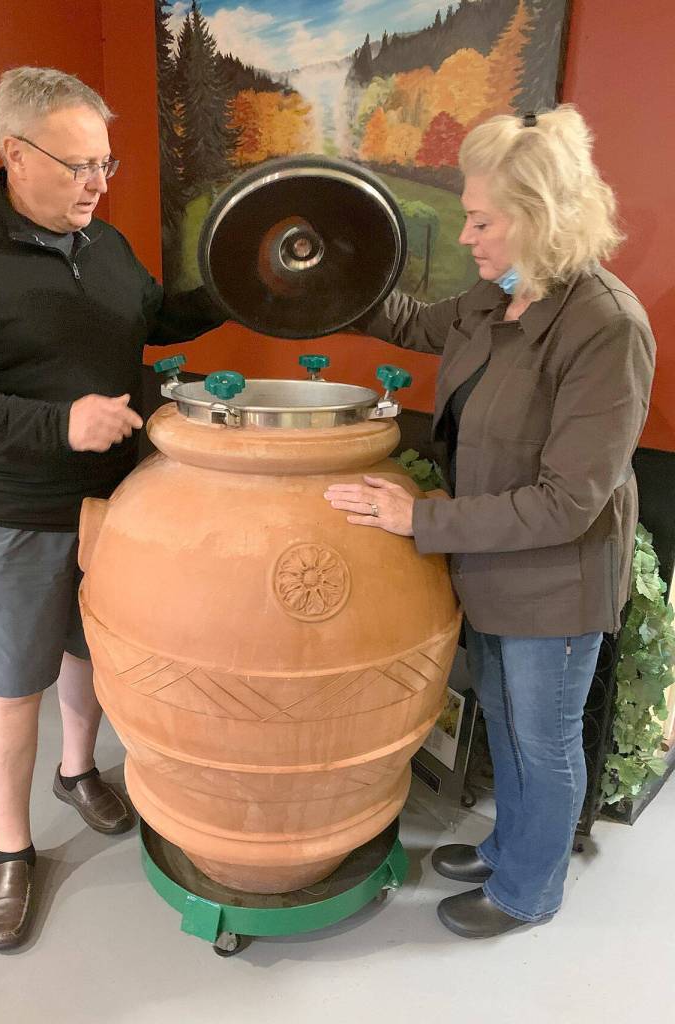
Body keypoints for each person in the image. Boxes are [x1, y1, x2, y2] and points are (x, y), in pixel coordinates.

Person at [0, 66, 220, 951]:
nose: (99, 183)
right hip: (9, 512)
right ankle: (12, 851)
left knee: (90, 655)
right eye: (81, 165)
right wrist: (60, 422)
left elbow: (153, 319)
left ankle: (78, 772)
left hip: (116, 502)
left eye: (106, 164)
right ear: (15, 152)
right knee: (11, 688)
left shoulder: (107, 245)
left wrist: (240, 284)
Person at [324, 105, 656, 938]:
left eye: (482, 220)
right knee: (505, 721)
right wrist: (317, 275)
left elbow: (567, 501)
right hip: (491, 563)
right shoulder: (496, 298)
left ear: (539, 220)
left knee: (542, 741)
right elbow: (406, 323)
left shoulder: (605, 327)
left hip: (555, 582)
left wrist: (420, 518)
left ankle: (528, 889)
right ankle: (512, 842)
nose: (468, 236)